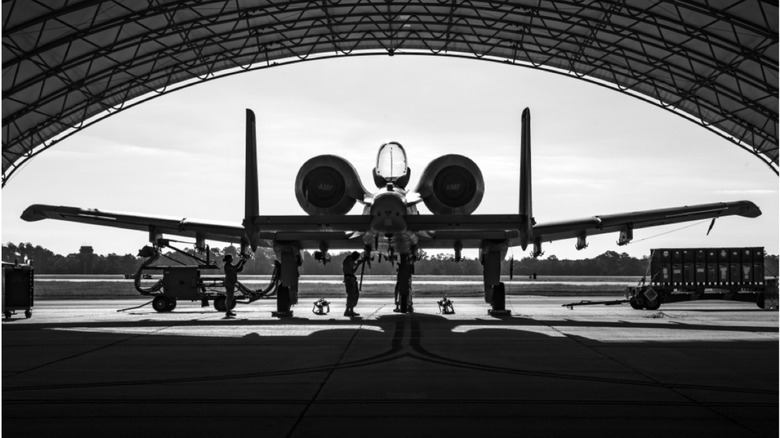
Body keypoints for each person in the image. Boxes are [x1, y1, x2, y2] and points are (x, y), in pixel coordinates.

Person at [223, 253, 245, 317]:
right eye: (231, 258)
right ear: (229, 259)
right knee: (229, 297)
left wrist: (242, 264)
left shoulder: (229, 265)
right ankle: (228, 311)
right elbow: (235, 267)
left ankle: (228, 311)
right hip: (229, 282)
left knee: (230, 297)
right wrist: (240, 261)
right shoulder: (227, 265)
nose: (232, 259)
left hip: (231, 282)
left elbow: (238, 270)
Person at [342, 251, 363, 317]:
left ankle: (350, 310)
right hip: (350, 279)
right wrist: (358, 264)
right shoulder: (349, 260)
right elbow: (353, 270)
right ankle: (348, 310)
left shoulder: (348, 260)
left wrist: (358, 263)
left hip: (350, 278)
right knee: (352, 294)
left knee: (353, 294)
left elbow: (353, 266)